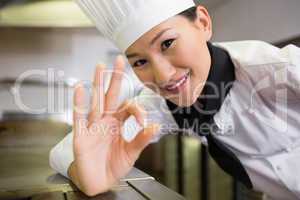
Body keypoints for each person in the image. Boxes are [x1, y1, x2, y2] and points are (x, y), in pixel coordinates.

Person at [49, 0, 300, 199]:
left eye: (167, 43)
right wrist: (87, 174)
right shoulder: (161, 105)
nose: (163, 76)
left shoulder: (281, 69)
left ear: (202, 23)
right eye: (140, 61)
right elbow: (64, 152)